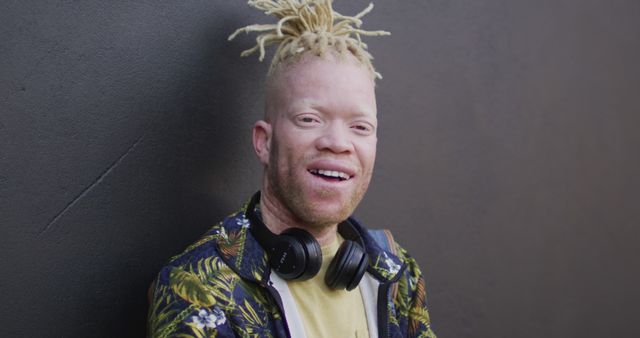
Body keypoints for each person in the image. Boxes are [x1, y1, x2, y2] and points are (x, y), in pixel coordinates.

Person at [147, 1, 436, 337]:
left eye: (360, 127)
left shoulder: (398, 271)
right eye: (309, 119)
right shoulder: (198, 285)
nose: (338, 143)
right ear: (264, 142)